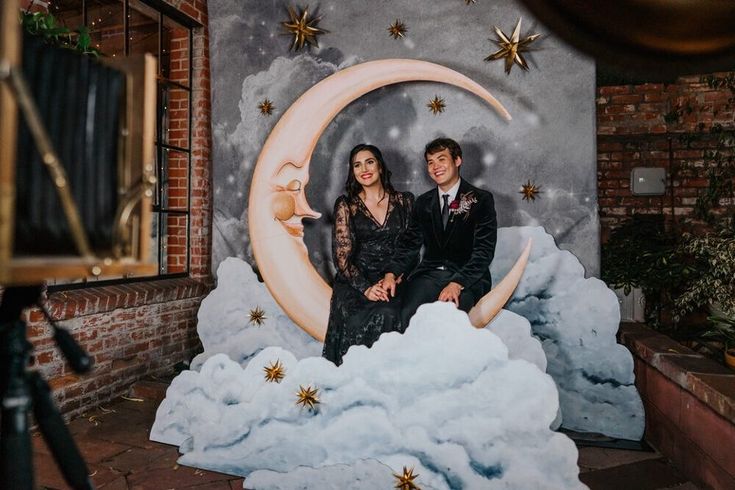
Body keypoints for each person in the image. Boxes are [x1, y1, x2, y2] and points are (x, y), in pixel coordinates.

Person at [381, 137, 497, 328]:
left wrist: (457, 283)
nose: (435, 166)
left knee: (448, 322)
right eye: (430, 162)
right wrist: (391, 273)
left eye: (441, 159)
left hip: (466, 277)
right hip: (428, 276)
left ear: (457, 160)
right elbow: (410, 244)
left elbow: (484, 251)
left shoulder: (481, 200)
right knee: (408, 317)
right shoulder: (423, 203)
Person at [322, 144, 416, 365]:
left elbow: (412, 247)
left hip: (395, 277)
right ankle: (360, 378)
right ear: (352, 172)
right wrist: (366, 288)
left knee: (401, 313)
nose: (364, 168)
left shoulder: (405, 201)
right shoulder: (346, 206)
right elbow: (342, 259)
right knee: (373, 315)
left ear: (380, 167)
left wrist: (396, 275)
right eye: (357, 164)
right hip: (356, 280)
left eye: (369, 161)